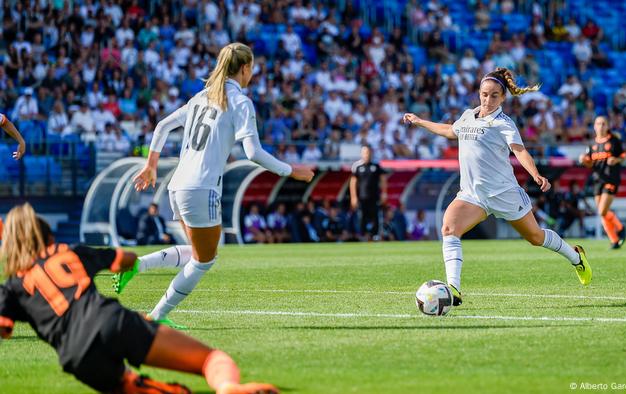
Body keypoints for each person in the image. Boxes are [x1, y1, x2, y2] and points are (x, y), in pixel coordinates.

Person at [117, 43, 314, 328]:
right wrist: (290, 170)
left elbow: (161, 126)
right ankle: (155, 318)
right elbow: (253, 153)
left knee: (198, 252)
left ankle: (137, 264)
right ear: (245, 68)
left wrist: (151, 165)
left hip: (178, 186)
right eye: (252, 67)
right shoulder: (241, 102)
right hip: (201, 188)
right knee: (204, 260)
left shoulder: (201, 97)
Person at [0, 203, 277, 394]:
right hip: (110, 320)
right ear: (47, 236)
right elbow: (126, 259)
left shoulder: (12, 286)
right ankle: (228, 388)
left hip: (75, 357)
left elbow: (4, 328)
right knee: (211, 360)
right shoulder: (68, 251)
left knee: (127, 386)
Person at [403, 67, 592, 307]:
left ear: (503, 98)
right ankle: (454, 289)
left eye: (494, 95)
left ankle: (576, 257)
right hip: (473, 196)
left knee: (535, 237)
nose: (488, 99)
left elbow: (520, 150)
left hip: (504, 193)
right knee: (449, 229)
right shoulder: (468, 115)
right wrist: (419, 121)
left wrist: (535, 174)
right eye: (484, 94)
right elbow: (450, 130)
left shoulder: (504, 123)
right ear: (479, 93)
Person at [579, 116, 626, 249]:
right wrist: (584, 160)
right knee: (603, 213)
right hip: (597, 180)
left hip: (611, 178)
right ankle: (614, 240)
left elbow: (623, 156)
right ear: (594, 126)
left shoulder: (614, 140)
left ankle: (621, 228)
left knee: (601, 211)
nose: (601, 126)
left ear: (607, 126)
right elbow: (589, 164)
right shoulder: (592, 144)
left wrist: (615, 160)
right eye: (598, 123)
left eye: (603, 124)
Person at [349, 145, 388, 240]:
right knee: (362, 217)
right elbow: (353, 182)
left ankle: (375, 236)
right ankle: (363, 235)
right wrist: (353, 197)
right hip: (362, 197)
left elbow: (383, 179)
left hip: (374, 197)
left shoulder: (376, 165)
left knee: (375, 216)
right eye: (365, 152)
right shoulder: (357, 166)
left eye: (368, 152)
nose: (367, 154)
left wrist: (384, 193)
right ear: (361, 153)